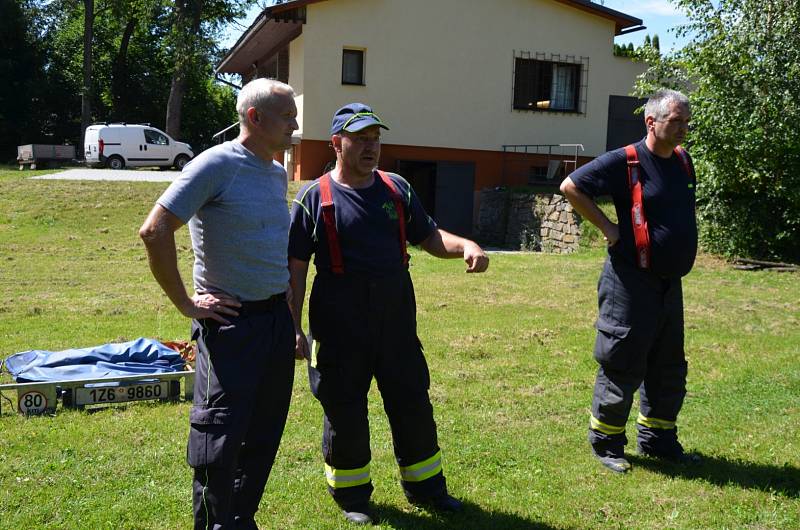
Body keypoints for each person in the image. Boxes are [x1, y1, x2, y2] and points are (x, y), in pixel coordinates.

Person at [288, 103, 489, 525]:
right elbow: (296, 269)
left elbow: (429, 236)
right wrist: (292, 327)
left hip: (396, 324)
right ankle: (352, 496)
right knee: (344, 410)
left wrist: (465, 246)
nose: (370, 147)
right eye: (360, 139)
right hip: (339, 327)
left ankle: (427, 488)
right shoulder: (313, 198)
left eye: (375, 138)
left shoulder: (396, 189)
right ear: (335, 143)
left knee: (412, 401)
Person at [139, 78, 300, 529]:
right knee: (220, 438)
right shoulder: (216, 165)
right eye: (287, 116)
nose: (295, 124)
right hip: (231, 326)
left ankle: (240, 519)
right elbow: (155, 230)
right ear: (255, 118)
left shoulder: (274, 170)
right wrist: (188, 304)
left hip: (274, 321)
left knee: (264, 432)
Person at [560, 88, 700, 474]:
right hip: (629, 281)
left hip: (670, 283)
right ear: (651, 122)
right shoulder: (627, 161)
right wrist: (609, 228)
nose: (684, 128)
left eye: (687, 122)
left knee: (668, 363)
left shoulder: (684, 162)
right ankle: (606, 442)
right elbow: (571, 186)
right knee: (622, 359)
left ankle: (658, 439)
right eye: (677, 121)